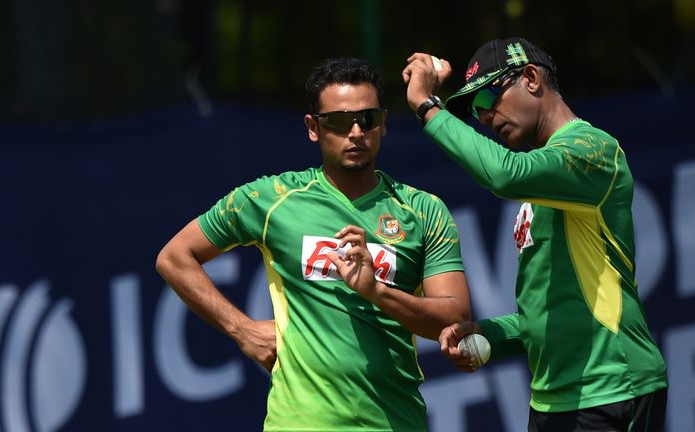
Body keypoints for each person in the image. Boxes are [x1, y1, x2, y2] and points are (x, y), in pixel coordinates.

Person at [156, 57, 472, 431]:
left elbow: (455, 320)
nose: (355, 132)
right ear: (313, 128)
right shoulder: (272, 198)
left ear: (383, 124)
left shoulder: (423, 210)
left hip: (395, 421)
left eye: (367, 119)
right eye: (338, 121)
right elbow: (174, 257)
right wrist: (241, 330)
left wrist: (377, 291)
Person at [401, 37, 669, 431]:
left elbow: (504, 174)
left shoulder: (592, 149)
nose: (487, 118)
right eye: (477, 112)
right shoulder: (535, 194)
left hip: (613, 388)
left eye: (489, 99)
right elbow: (542, 315)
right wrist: (488, 333)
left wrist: (428, 106)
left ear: (530, 78)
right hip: (551, 400)